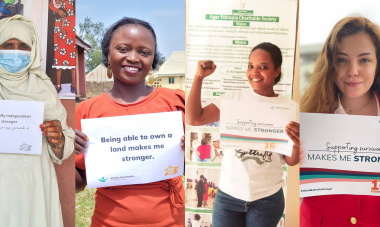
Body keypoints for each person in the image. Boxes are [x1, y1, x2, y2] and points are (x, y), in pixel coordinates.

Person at [74, 17, 186, 226]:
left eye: (144, 52)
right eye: (123, 49)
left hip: (172, 221)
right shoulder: (86, 112)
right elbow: (78, 183)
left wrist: (192, 150)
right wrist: (63, 153)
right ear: (108, 54)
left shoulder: (177, 103)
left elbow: (199, 165)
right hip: (108, 222)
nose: (133, 58)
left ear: (153, 59)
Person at [186, 42, 300, 227]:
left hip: (267, 198)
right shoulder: (232, 100)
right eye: (251, 66)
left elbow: (291, 161)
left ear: (277, 71)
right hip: (228, 196)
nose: (254, 72)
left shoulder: (288, 107)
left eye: (263, 67)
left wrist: (295, 143)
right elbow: (194, 118)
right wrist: (199, 77)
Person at [300, 16, 380, 226]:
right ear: (330, 64)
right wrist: (293, 158)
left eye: (364, 60)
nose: (353, 71)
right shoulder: (309, 113)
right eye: (342, 59)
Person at [0, 15, 74, 227]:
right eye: (7, 45)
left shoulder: (45, 89)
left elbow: (66, 144)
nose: (15, 51)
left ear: (32, 51)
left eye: (23, 45)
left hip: (34, 188)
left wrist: (57, 139)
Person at [48, 0, 76, 94]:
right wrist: (57, 11)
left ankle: (73, 84)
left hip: (71, 24)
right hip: (58, 26)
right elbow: (51, 5)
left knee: (72, 55)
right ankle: (58, 84)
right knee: (59, 55)